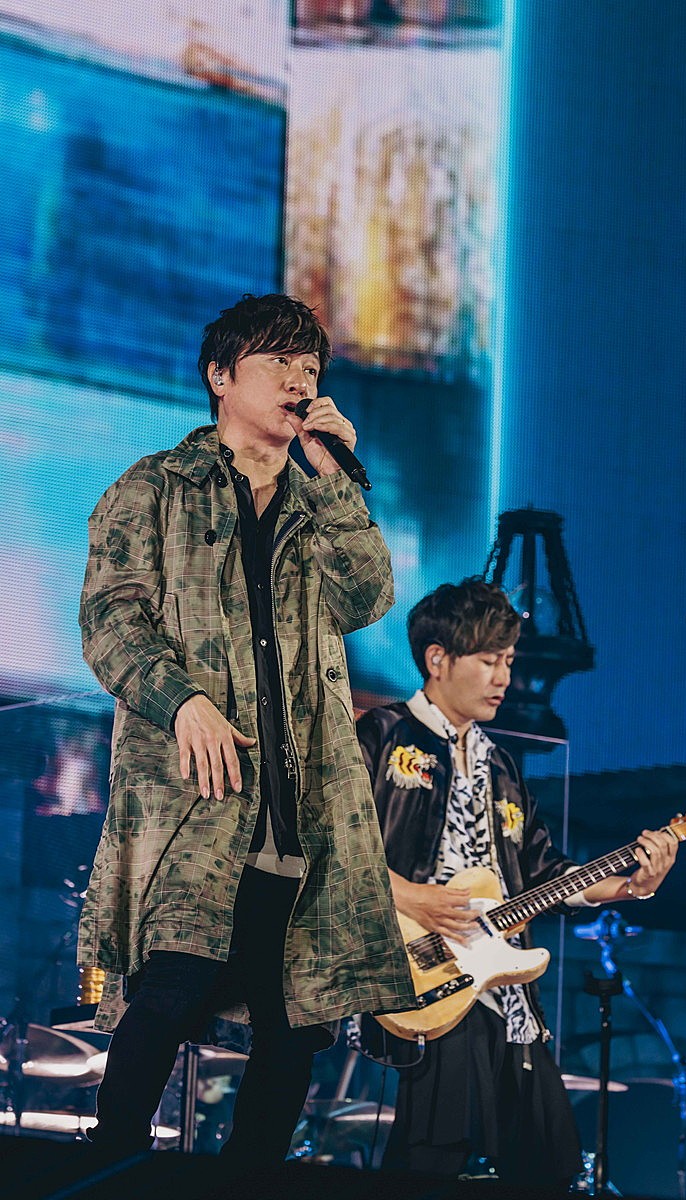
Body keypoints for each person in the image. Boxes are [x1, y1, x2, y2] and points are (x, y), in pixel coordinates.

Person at [77, 293, 414, 1165]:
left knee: (295, 1018)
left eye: (311, 367)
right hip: (195, 799)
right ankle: (109, 1166)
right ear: (221, 377)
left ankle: (251, 1178)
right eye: (279, 363)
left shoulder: (316, 500)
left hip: (299, 801)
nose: (300, 380)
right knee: (171, 985)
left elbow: (367, 596)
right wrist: (183, 701)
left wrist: (334, 478)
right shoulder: (155, 488)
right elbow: (111, 619)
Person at [356, 578, 679, 1189]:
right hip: (420, 974)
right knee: (432, 1155)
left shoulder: (501, 766)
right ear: (437, 659)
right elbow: (331, 849)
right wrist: (415, 896)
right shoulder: (380, 735)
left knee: (548, 1161)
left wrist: (633, 886)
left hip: (503, 988)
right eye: (489, 660)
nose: (504, 677)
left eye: (508, 660)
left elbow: (545, 873)